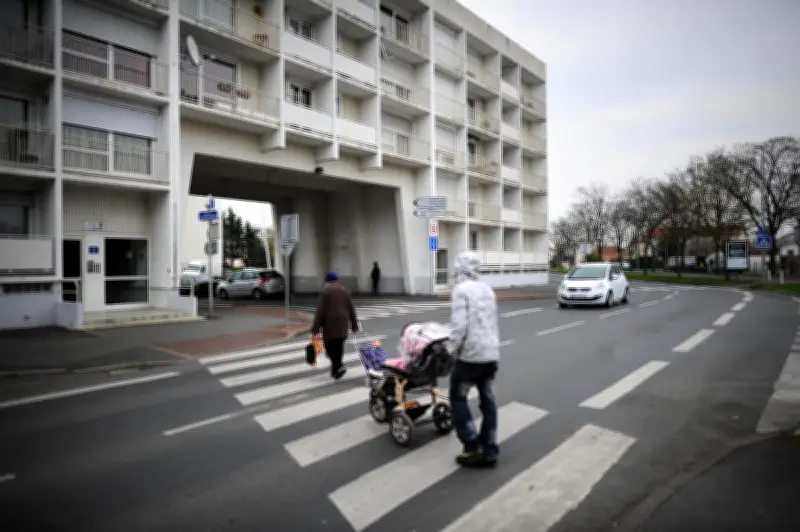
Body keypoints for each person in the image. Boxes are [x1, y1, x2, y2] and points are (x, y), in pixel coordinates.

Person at [448, 252, 500, 467]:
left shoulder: (461, 291)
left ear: (459, 269)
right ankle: (489, 448)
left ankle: (471, 446)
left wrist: (451, 348)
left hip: (470, 356)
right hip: (490, 354)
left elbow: (460, 326)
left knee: (458, 397)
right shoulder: (488, 289)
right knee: (488, 400)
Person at [311, 272, 359, 380]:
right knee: (339, 346)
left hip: (330, 324)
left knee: (329, 347)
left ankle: (339, 366)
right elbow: (351, 308)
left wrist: (315, 328)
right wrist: (354, 325)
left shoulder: (325, 291)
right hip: (343, 323)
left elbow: (320, 311)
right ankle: (336, 370)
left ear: (326, 281)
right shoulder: (344, 290)